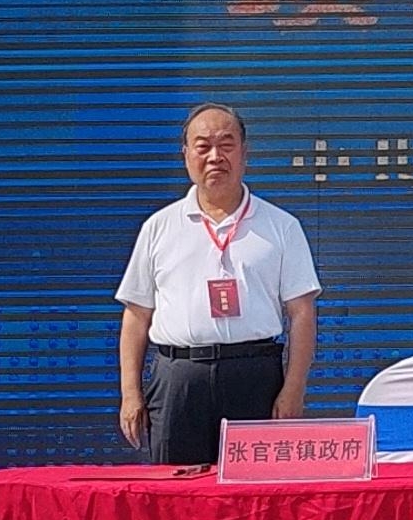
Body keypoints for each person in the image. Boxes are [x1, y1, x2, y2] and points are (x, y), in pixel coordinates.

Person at [115, 103, 320, 467]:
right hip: (179, 378)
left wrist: (293, 388)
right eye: (203, 146)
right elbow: (136, 315)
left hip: (254, 376)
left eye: (226, 145)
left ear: (245, 153)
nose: (215, 156)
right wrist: (130, 392)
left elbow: (302, 313)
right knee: (177, 500)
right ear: (186, 155)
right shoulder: (159, 228)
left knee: (256, 500)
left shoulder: (281, 226)